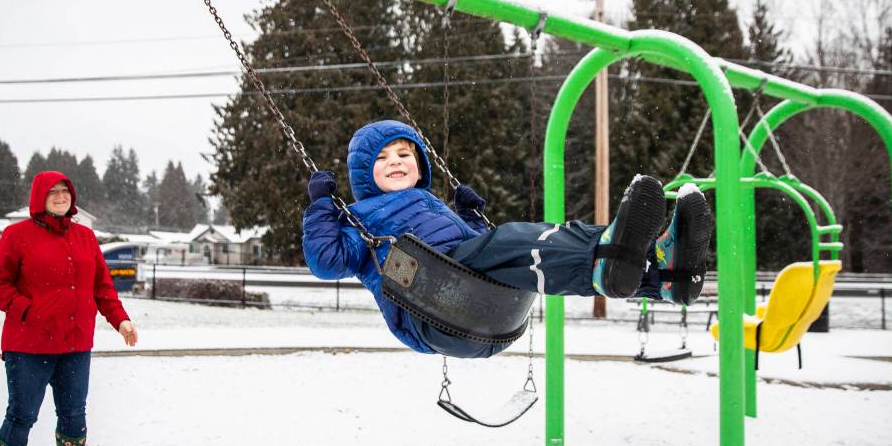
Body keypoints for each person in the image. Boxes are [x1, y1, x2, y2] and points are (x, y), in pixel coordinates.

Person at [303, 120, 713, 359]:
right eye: (382, 157)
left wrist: (466, 216)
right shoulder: (358, 219)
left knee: (517, 251)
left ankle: (661, 276)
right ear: (362, 175)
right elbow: (326, 260)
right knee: (511, 240)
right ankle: (608, 253)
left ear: (419, 164)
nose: (395, 161)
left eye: (404, 154)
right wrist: (321, 206)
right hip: (429, 314)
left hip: (478, 307)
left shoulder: (433, 205)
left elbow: (479, 254)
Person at [0, 171, 139, 446]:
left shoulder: (85, 237)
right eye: (52, 192)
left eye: (64, 191)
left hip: (74, 345)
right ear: (39, 197)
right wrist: (28, 310)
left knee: (74, 413)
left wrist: (121, 319)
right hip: (29, 346)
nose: (59, 196)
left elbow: (102, 287)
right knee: (21, 415)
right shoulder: (16, 235)